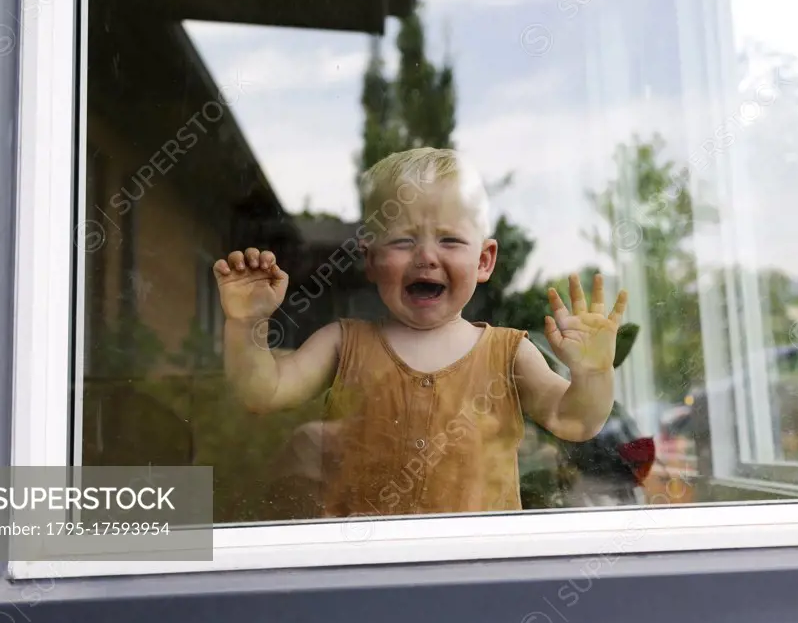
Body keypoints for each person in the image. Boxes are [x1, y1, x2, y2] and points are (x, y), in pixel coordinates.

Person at [213, 147, 629, 518]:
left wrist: (593, 373)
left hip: (476, 574)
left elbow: (575, 420)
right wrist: (247, 323)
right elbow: (262, 392)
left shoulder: (509, 353)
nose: (426, 256)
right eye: (403, 242)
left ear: (484, 260)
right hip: (363, 571)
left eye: (449, 240)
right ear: (371, 260)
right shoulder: (342, 342)